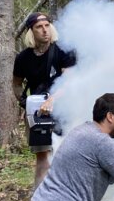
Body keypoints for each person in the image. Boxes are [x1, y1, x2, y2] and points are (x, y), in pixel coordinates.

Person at [13, 12, 76, 188]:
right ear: (31, 32)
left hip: (65, 110)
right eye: (39, 27)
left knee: (66, 153)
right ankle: (39, 199)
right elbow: (16, 84)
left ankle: (67, 195)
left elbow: (68, 80)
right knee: (42, 156)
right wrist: (25, 102)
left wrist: (52, 100)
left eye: (47, 25)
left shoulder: (63, 51)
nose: (44, 30)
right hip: (38, 114)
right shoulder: (23, 58)